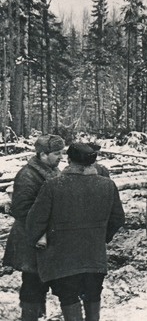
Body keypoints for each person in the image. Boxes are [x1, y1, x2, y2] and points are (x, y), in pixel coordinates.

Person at [26, 142, 125, 321]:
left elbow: (35, 221)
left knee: (68, 296)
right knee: (93, 294)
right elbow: (118, 219)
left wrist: (38, 241)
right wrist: (101, 237)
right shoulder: (108, 185)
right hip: (94, 256)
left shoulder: (53, 186)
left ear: (69, 160)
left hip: (63, 258)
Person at [2, 134, 65, 321]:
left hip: (46, 236)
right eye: (57, 153)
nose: (61, 157)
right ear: (43, 154)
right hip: (30, 237)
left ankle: (39, 314)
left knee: (41, 279)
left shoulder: (52, 170)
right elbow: (21, 210)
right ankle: (29, 316)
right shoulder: (27, 176)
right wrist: (40, 232)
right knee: (32, 281)